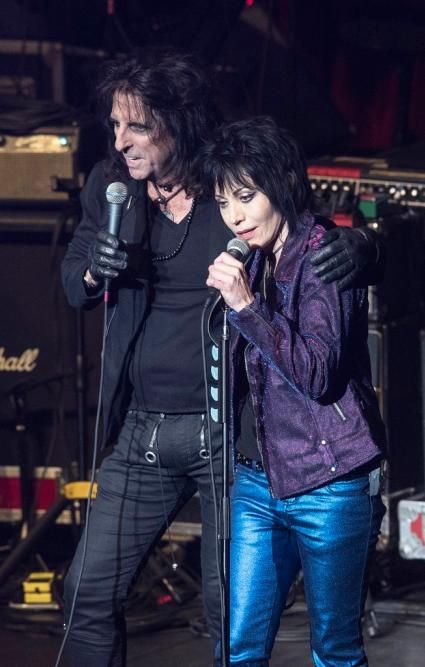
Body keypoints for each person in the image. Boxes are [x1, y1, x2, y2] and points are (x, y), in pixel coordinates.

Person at [61, 48, 383, 666]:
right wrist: (93, 271)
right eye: (115, 125)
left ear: (174, 121)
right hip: (145, 432)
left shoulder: (226, 187)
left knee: (232, 618)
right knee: (87, 592)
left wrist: (365, 247)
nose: (120, 141)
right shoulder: (112, 188)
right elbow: (74, 278)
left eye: (136, 125)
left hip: (229, 435)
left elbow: (309, 234)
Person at [200, 116, 387, 666]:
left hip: (329, 481)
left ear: (281, 182)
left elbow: (316, 373)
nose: (234, 216)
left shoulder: (323, 254)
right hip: (258, 482)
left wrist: (247, 308)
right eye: (224, 202)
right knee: (237, 648)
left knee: (334, 651)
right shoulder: (255, 257)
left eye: (246, 197)